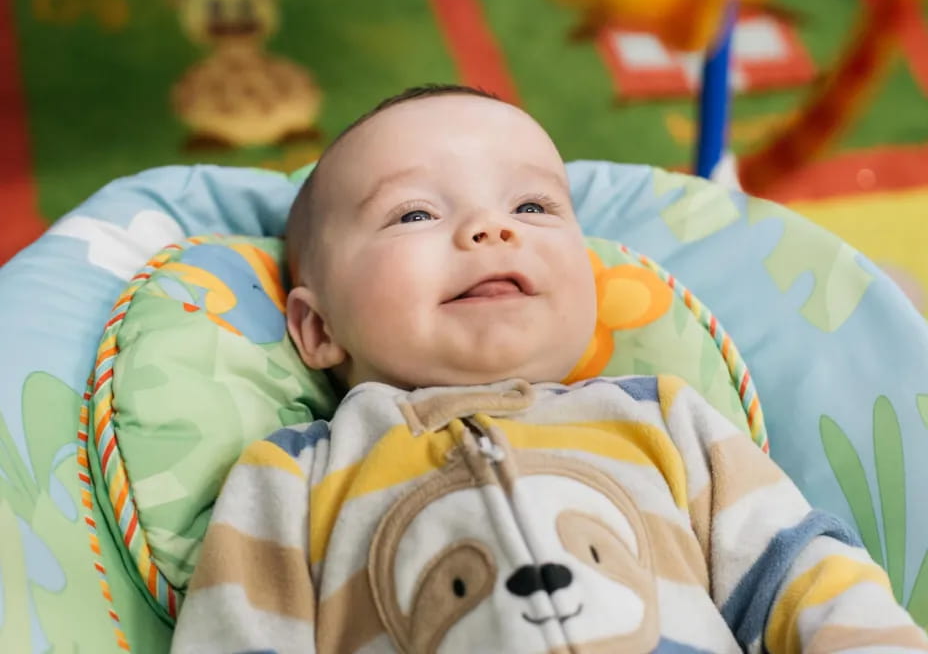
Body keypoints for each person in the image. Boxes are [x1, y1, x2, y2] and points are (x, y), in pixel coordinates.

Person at [171, 84, 928, 653]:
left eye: (533, 207)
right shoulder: (293, 478)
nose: (491, 229)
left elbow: (803, 577)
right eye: (414, 214)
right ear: (316, 327)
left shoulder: (665, 419)